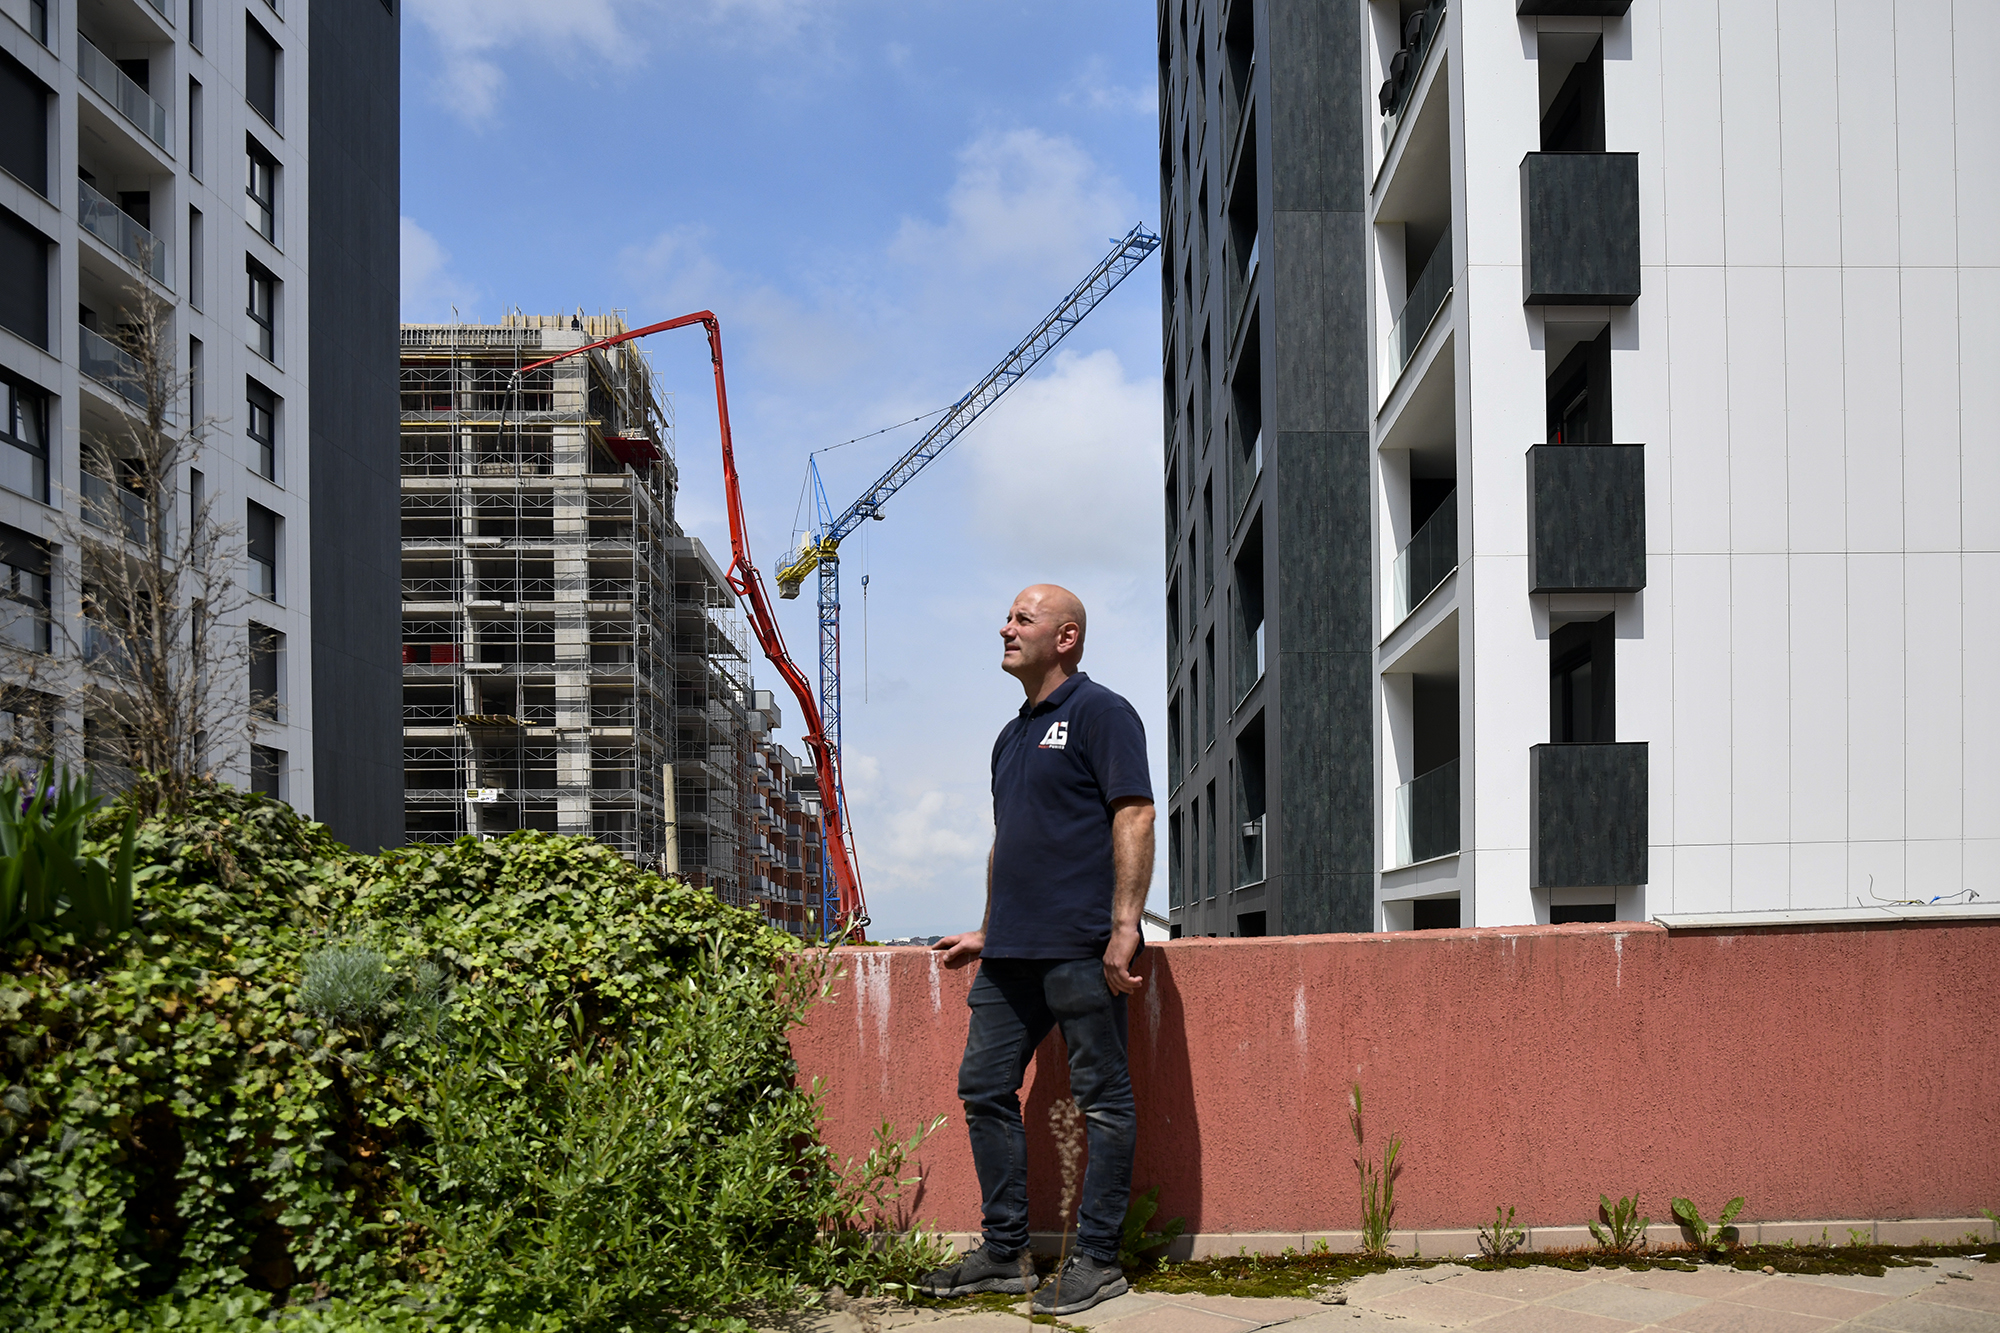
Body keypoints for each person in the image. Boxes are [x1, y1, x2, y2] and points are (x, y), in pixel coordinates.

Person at [918, 584, 1155, 1315]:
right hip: (1011, 953)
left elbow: (1135, 813)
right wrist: (989, 928)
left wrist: (1125, 925)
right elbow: (1009, 840)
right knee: (983, 1087)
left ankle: (1099, 1258)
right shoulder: (1010, 735)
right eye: (1008, 617)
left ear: (1066, 637)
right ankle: (1005, 1253)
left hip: (1081, 947)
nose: (1006, 627)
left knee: (1102, 1101)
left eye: (1023, 618)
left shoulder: (1102, 712)